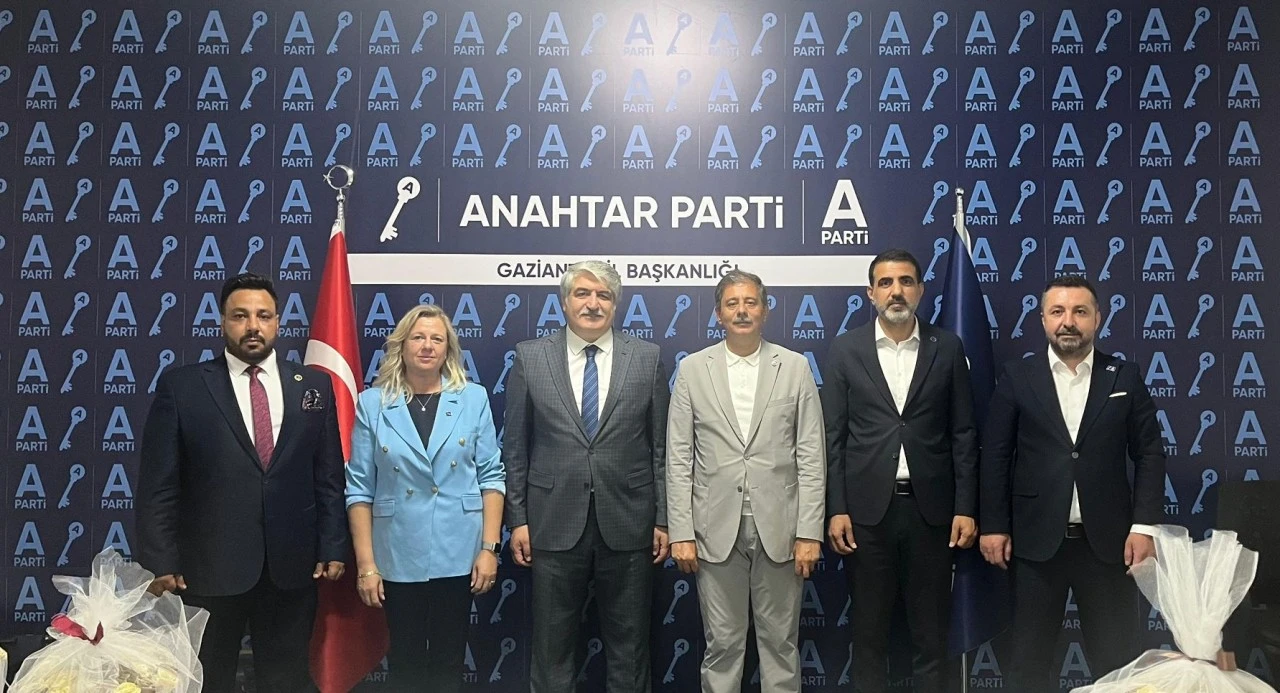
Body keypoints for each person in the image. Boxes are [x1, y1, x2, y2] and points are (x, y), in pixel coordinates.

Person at [137, 273, 349, 693]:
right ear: (222, 322)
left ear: (277, 322)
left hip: (291, 568)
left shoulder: (313, 385)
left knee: (286, 682)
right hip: (208, 570)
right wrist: (160, 559)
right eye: (240, 316)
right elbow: (158, 484)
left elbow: (327, 477)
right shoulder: (183, 387)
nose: (253, 326)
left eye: (263, 315)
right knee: (208, 680)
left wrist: (332, 546)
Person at [980, 275, 1165, 691]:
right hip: (1034, 546)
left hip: (1108, 546)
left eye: (1080, 311)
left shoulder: (1125, 377)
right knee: (1026, 664)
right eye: (1058, 311)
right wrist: (993, 525)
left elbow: (1150, 454)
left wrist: (1144, 526)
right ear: (1043, 319)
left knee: (1117, 665)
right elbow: (995, 456)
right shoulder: (1017, 376)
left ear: (1097, 318)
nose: (1069, 321)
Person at [502, 260, 670, 692]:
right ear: (564, 302)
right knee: (552, 649)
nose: (593, 304)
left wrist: (664, 519)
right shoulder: (531, 356)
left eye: (603, 296)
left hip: (630, 522)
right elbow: (516, 446)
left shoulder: (647, 357)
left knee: (630, 650)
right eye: (582, 294)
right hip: (552, 521)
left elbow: (662, 448)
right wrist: (517, 520)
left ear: (616, 304)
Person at [820, 249, 979, 693]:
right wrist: (837, 508)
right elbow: (833, 438)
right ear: (870, 293)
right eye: (886, 283)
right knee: (869, 636)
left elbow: (964, 434)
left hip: (932, 515)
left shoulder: (947, 347)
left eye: (906, 282)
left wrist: (965, 507)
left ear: (921, 291)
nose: (896, 291)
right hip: (866, 517)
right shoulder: (845, 349)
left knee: (931, 636)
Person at [666, 270, 825, 692]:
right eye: (732, 303)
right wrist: (681, 532)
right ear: (718, 314)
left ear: (765, 310)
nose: (742, 311)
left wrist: (810, 532)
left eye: (751, 302)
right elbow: (678, 457)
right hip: (714, 531)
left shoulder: (794, 367)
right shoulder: (692, 369)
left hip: (782, 529)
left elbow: (811, 456)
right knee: (722, 646)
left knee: (781, 647)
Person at [345, 304, 504, 693]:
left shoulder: (473, 398)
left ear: (449, 348)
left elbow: (492, 478)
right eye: (418, 337)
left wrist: (489, 548)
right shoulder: (373, 403)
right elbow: (360, 489)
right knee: (406, 661)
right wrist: (366, 566)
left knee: (450, 661)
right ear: (402, 345)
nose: (427, 346)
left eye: (437, 338)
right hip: (398, 552)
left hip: (459, 550)